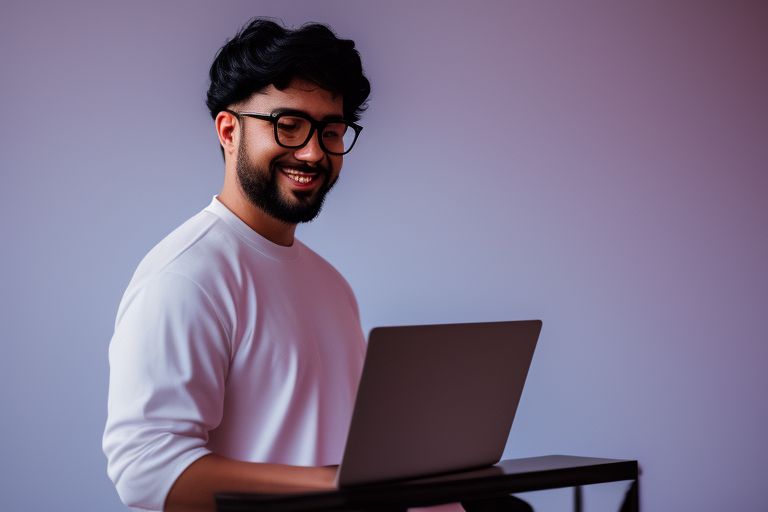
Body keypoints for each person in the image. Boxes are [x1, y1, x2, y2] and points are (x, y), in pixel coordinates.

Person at [103, 18, 531, 512]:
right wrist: (335, 485)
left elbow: (339, 453)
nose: (312, 152)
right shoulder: (185, 277)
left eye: (331, 131)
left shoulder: (331, 284)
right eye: (288, 125)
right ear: (228, 131)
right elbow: (147, 472)